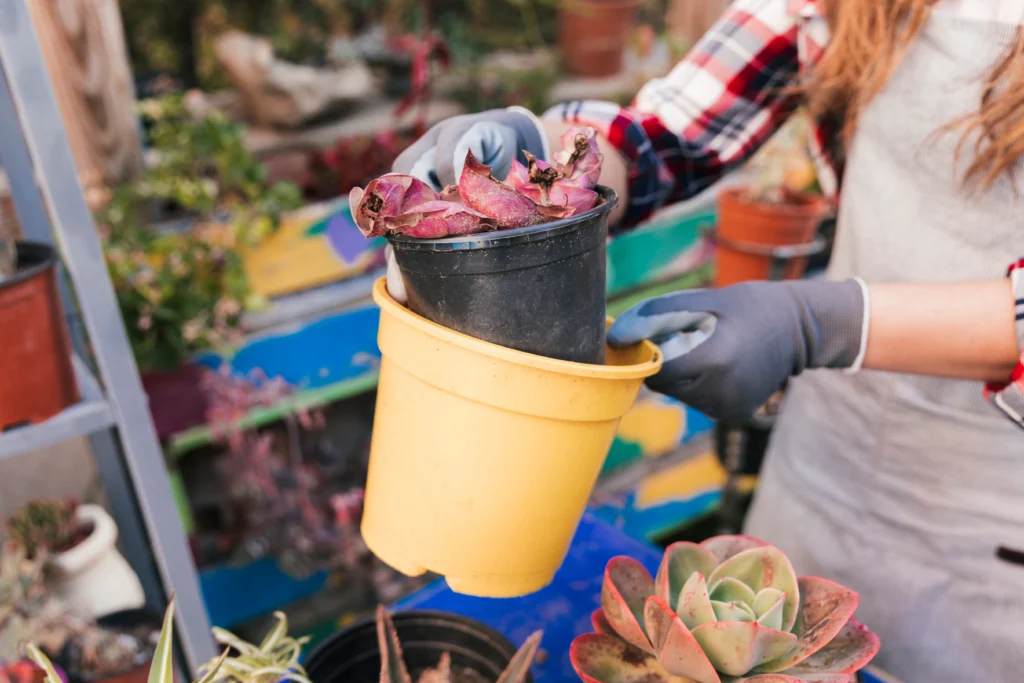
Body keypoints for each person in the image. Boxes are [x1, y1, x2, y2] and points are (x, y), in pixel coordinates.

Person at [389, 1, 1024, 680]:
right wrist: (540, 151)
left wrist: (829, 323)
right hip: (827, 459)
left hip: (993, 531)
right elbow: (672, 133)